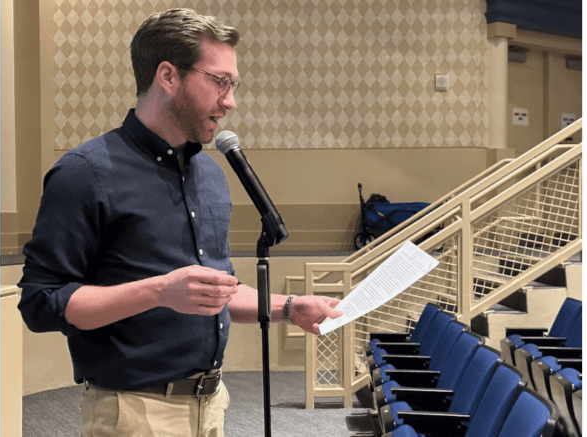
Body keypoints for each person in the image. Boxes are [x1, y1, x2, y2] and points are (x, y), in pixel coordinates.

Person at [17, 8, 343, 437]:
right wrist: (158, 291)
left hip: (212, 406)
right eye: (220, 82)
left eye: (234, 84)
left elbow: (214, 291)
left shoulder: (209, 175)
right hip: (133, 414)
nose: (230, 101)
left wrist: (288, 307)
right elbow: (41, 303)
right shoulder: (85, 173)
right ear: (168, 77)